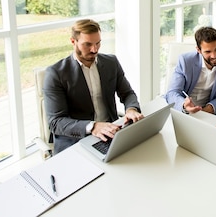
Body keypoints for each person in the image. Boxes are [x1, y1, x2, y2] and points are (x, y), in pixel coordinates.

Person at [43, 19, 143, 155]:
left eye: (98, 43)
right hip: (76, 142)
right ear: (73, 41)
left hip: (110, 135)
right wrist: (92, 126)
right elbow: (56, 122)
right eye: (87, 44)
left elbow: (127, 93)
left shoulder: (111, 63)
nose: (94, 50)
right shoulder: (56, 74)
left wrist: (131, 109)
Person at [165, 27, 216, 116]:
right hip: (184, 111)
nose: (214, 55)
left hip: (209, 112)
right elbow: (173, 92)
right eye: (208, 52)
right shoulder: (185, 61)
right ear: (198, 50)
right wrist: (184, 105)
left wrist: (209, 109)